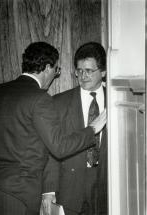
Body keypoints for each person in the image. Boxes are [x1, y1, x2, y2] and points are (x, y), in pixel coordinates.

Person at [0, 41, 106, 215]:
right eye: (56, 70)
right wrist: (92, 129)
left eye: (89, 71)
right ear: (47, 68)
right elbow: (58, 147)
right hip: (20, 192)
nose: (55, 75)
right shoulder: (40, 99)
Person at [41, 42, 108, 215]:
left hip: (108, 186)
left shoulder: (117, 102)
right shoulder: (59, 103)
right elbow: (50, 150)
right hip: (70, 187)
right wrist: (48, 190)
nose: (83, 76)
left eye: (89, 71)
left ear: (103, 72)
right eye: (79, 71)